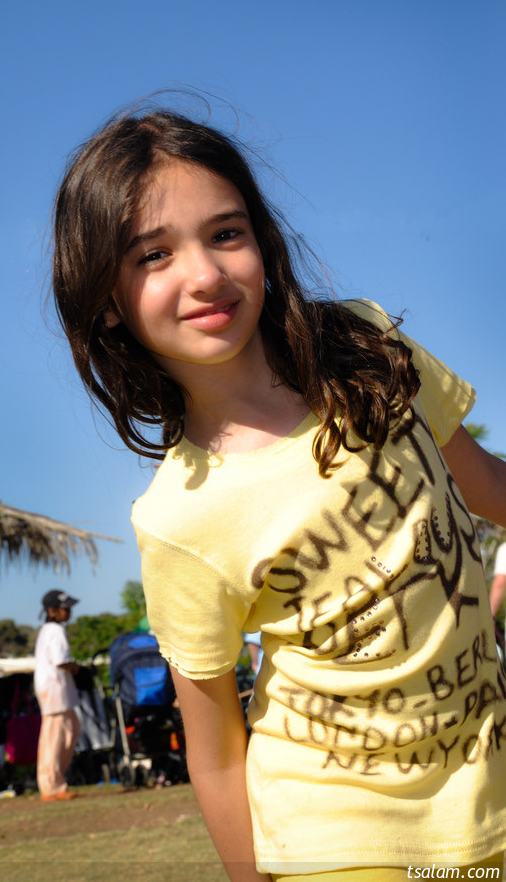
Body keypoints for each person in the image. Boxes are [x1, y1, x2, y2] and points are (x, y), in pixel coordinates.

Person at [49, 107, 506, 880]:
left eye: (226, 233)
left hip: (489, 797)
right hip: (338, 840)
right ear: (107, 301)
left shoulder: (367, 348)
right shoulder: (180, 518)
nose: (205, 274)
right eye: (154, 254)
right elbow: (217, 751)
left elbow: (490, 486)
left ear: (262, 240)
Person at [33, 589, 81, 801]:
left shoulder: (49, 630)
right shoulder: (54, 631)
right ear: (51, 611)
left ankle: (56, 778)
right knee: (54, 738)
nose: (68, 612)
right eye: (64, 608)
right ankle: (51, 786)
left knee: (71, 732)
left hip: (57, 690)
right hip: (54, 689)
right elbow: (61, 661)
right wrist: (77, 668)